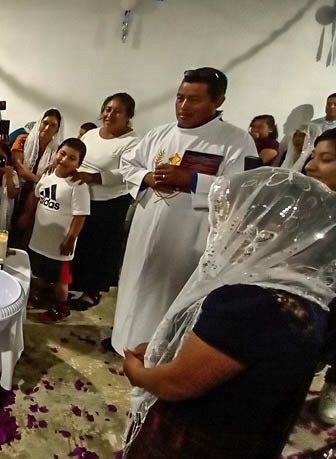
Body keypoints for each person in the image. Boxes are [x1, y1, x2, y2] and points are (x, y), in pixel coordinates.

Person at [122, 168, 336, 459]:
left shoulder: (249, 304)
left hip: (198, 440)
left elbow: (176, 384)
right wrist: (167, 350)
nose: (219, 228)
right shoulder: (303, 296)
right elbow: (228, 354)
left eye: (232, 218)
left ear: (266, 229)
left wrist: (138, 374)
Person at [111, 67, 255, 356]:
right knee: (135, 285)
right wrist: (147, 177)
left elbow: (243, 191)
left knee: (169, 296)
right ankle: (122, 342)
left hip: (189, 238)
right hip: (145, 227)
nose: (183, 106)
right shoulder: (159, 133)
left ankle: (158, 355)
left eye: (194, 100)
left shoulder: (236, 142)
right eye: (179, 98)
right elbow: (129, 163)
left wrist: (192, 180)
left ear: (218, 101)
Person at [68, 93, 139, 310]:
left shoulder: (132, 142)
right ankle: (75, 283)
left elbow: (127, 172)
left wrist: (94, 177)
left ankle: (93, 291)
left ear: (128, 116)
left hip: (109, 202)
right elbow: (77, 155)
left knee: (100, 247)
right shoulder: (90, 134)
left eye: (117, 111)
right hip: (82, 196)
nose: (110, 115)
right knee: (81, 242)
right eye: (108, 109)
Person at [20, 138, 90, 322]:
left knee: (61, 281)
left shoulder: (79, 186)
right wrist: (27, 216)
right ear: (56, 153)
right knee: (37, 272)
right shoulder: (47, 175)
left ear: (79, 164)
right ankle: (38, 297)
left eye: (72, 158)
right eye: (62, 154)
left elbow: (80, 216)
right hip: (39, 238)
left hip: (60, 244)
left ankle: (61, 308)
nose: (64, 160)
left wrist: (71, 238)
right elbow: (36, 197)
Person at [304, 128, 336, 424]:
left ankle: (333, 384)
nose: (311, 166)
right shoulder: (308, 200)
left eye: (325, 159)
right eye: (312, 156)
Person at [11, 108, 65, 249]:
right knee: (12, 227)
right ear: (39, 122)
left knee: (28, 230)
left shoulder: (58, 151)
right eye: (45, 123)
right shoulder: (23, 140)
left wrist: (40, 185)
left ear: (57, 129)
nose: (47, 128)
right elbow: (20, 167)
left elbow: (53, 176)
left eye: (52, 125)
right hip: (17, 190)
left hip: (39, 197)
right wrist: (39, 181)